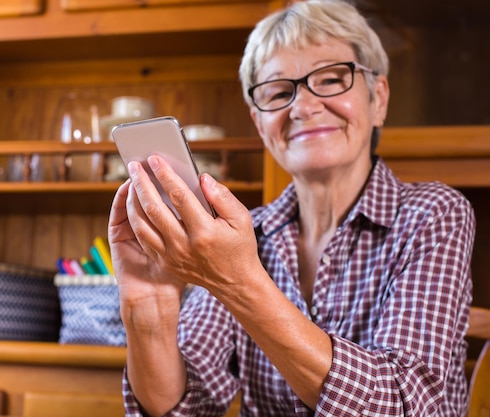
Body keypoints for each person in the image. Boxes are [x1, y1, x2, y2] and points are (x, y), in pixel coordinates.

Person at [107, 0, 476, 415]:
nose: (302, 107)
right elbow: (185, 409)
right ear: (259, 122)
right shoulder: (247, 234)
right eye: (280, 92)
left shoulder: (433, 214)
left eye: (333, 79)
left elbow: (409, 406)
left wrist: (239, 282)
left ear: (379, 100)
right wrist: (147, 311)